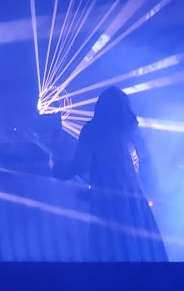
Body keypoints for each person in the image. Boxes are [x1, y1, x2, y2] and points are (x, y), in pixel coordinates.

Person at [52, 86, 167, 261]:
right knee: (140, 251)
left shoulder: (93, 130)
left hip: (107, 202)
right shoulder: (130, 129)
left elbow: (80, 165)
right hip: (134, 200)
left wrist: (57, 169)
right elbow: (144, 164)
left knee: (111, 250)